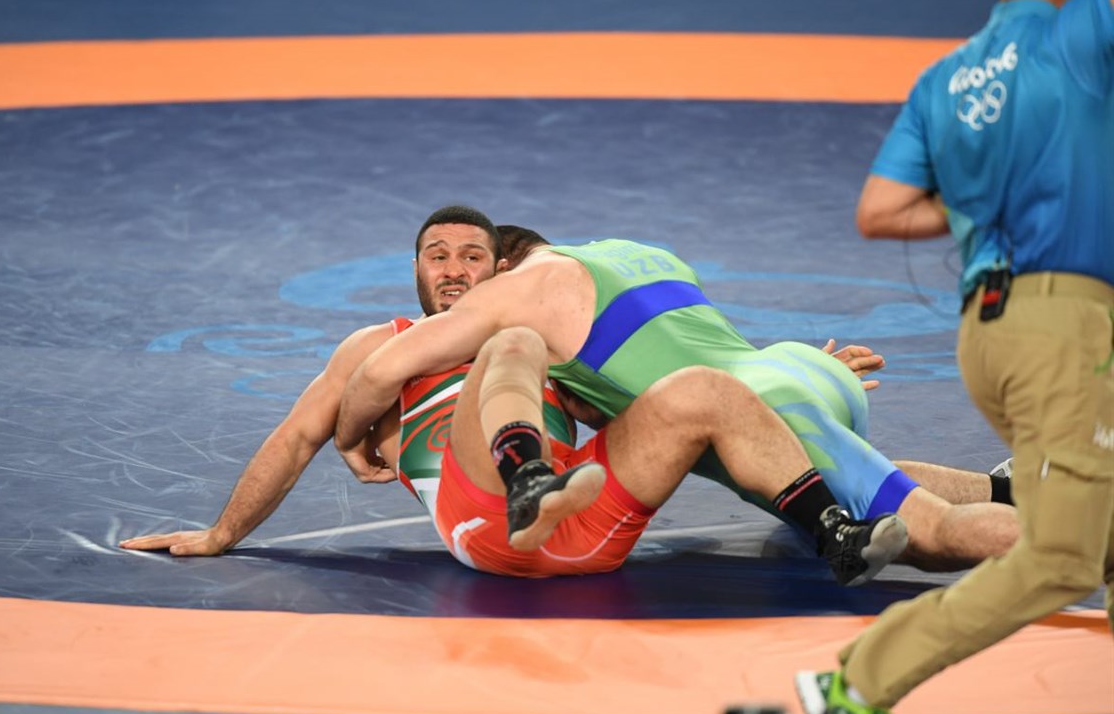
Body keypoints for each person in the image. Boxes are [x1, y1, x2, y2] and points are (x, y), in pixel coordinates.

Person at [793, 0, 1114, 714]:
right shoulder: (1077, 35)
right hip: (1065, 325)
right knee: (1062, 557)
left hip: (989, 331)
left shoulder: (947, 78)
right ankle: (859, 686)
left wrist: (984, 197)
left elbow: (881, 210)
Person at [335, 224, 1022, 578]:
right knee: (845, 474)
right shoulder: (636, 252)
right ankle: (1011, 490)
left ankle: (1071, 546)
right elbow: (683, 351)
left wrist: (350, 439)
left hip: (759, 401)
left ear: (505, 266)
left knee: (929, 532)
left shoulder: (521, 296)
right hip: (797, 368)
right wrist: (818, 373)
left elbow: (381, 371)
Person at [119, 204, 507, 556]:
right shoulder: (376, 346)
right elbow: (297, 438)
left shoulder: (530, 336)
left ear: (501, 271)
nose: (453, 271)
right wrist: (222, 533)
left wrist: (349, 435)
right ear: (416, 269)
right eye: (438, 257)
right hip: (492, 538)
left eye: (471, 257)